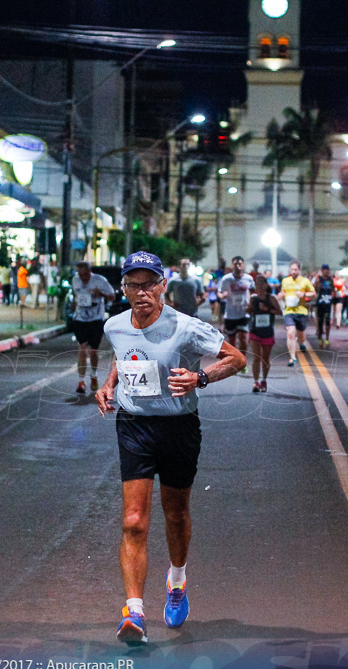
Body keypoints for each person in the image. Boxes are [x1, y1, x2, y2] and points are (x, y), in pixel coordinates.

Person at [95, 251, 246, 644]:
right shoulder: (114, 325)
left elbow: (237, 358)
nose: (141, 292)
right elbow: (123, 355)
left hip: (179, 427)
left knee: (175, 514)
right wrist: (109, 384)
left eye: (149, 284)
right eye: (133, 284)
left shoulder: (187, 327)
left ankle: (176, 580)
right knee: (133, 520)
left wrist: (201, 377)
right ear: (123, 288)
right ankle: (135, 612)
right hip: (134, 426)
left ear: (163, 285)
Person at [71, 260, 116, 394]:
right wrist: (74, 304)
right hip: (80, 318)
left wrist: (100, 293)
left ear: (90, 272)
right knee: (82, 348)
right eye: (80, 275)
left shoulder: (100, 280)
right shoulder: (75, 280)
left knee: (93, 351)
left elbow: (112, 297)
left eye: (85, 275)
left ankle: (94, 375)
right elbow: (76, 295)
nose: (82, 278)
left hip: (96, 318)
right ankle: (81, 381)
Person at [217, 256, 255, 370]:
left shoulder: (248, 279)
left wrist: (251, 303)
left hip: (244, 314)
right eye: (235, 264)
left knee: (244, 339)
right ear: (232, 265)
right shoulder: (226, 279)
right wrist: (222, 295)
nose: (238, 266)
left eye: (240, 264)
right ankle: (234, 362)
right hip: (230, 314)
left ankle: (243, 362)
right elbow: (219, 292)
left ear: (243, 265)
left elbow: (253, 292)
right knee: (232, 340)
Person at [248, 274, 282, 392]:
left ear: (266, 284)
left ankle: (264, 380)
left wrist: (267, 309)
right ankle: (256, 382)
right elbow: (249, 310)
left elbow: (279, 312)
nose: (259, 286)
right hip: (255, 331)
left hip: (267, 332)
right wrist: (247, 308)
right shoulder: (253, 298)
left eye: (262, 283)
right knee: (256, 357)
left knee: (265, 358)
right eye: (257, 283)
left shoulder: (271, 298)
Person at [279, 260, 315, 366]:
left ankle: (302, 342)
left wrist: (303, 294)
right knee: (290, 333)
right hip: (289, 311)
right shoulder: (285, 281)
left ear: (299, 270)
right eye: (292, 269)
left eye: (295, 269)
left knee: (301, 335)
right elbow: (283, 292)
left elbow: (313, 294)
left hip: (301, 311)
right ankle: (292, 357)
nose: (293, 271)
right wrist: (281, 295)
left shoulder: (305, 281)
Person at [314, 264, 335, 348]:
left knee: (327, 320)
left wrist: (334, 296)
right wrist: (317, 286)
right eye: (325, 269)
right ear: (322, 270)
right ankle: (319, 338)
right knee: (320, 321)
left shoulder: (331, 279)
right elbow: (315, 289)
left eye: (327, 269)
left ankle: (327, 339)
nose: (326, 271)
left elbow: (333, 289)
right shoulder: (319, 279)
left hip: (328, 302)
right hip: (320, 302)